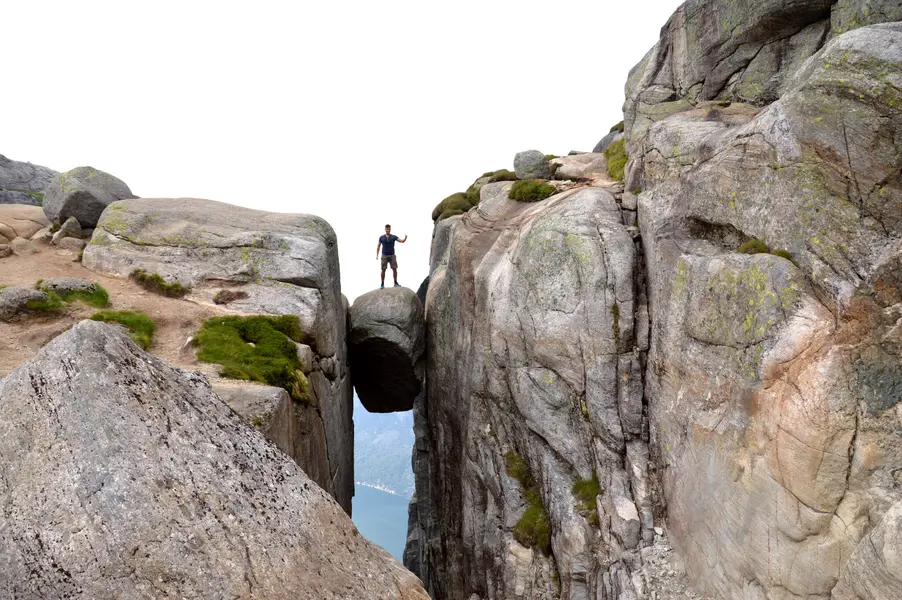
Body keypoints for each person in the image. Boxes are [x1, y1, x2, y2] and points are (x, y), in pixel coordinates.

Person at [376, 224, 407, 288]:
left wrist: (405, 239)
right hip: (384, 255)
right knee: (383, 270)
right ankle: (382, 283)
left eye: (389, 229)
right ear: (385, 229)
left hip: (392, 255)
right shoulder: (381, 237)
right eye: (387, 229)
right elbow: (378, 246)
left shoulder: (393, 237)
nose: (388, 230)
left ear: (390, 229)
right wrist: (377, 255)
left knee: (394, 269)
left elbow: (402, 241)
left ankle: (395, 282)